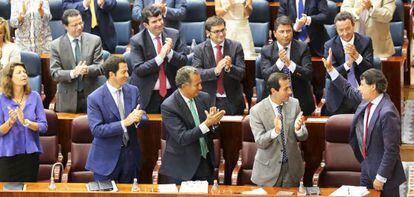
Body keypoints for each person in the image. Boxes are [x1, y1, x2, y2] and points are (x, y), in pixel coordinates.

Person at [322, 51, 405, 196]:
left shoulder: (387, 113)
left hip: (385, 175)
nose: (359, 88)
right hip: (366, 168)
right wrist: (330, 69)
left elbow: (391, 150)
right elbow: (347, 89)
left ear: (373, 87)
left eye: (362, 85)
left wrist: (381, 176)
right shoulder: (366, 100)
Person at [86, 56, 148, 183]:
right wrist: (125, 123)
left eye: (127, 71)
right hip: (106, 160)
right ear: (111, 74)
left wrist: (138, 118)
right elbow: (97, 130)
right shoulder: (95, 98)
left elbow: (143, 115)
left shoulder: (133, 90)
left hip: (130, 156)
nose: (127, 75)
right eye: (123, 72)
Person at [160, 66, 225, 184]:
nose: (201, 87)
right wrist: (207, 123)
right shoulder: (169, 106)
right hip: (182, 166)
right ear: (184, 86)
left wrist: (214, 123)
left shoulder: (204, 97)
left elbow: (211, 129)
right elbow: (182, 138)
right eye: (197, 84)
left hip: (205, 161)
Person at [250, 72, 307, 187]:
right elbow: (260, 142)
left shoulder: (294, 104)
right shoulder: (257, 111)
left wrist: (299, 129)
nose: (290, 92)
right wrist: (275, 132)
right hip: (268, 171)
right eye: (285, 89)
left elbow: (304, 136)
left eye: (289, 88)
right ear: (273, 91)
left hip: (291, 169)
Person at [129, 6, 187, 114]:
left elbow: (184, 61)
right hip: (149, 95)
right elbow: (139, 69)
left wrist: (170, 53)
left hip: (172, 93)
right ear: (146, 25)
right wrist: (160, 57)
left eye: (160, 19)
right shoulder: (136, 41)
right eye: (154, 21)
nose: (159, 24)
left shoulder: (174, 34)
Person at [0, 62, 47, 182]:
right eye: (19, 72)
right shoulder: (2, 99)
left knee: (28, 191)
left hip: (30, 157)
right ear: (9, 78)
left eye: (25, 72)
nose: (24, 75)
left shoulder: (35, 96)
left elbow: (43, 126)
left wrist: (26, 122)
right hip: (8, 155)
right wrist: (10, 122)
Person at [50, 9, 104, 113]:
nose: (79, 27)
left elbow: (100, 67)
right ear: (65, 26)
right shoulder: (55, 45)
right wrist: (73, 73)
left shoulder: (95, 40)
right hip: (67, 99)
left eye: (80, 23)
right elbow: (55, 73)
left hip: (91, 95)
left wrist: (87, 69)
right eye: (74, 25)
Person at [260, 16, 315, 116]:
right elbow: (266, 76)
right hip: (274, 104)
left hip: (300, 102)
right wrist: (280, 62)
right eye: (282, 31)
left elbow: (308, 74)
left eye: (288, 31)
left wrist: (290, 64)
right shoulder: (266, 51)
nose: (286, 35)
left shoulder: (303, 48)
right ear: (274, 33)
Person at [192, 16, 246, 115]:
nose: (221, 34)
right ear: (208, 33)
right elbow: (197, 73)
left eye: (223, 30)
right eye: (216, 31)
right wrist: (215, 71)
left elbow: (242, 74)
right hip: (208, 101)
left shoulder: (236, 46)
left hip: (232, 100)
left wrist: (230, 68)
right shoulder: (199, 49)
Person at [323, 11, 373, 115]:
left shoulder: (365, 41)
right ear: (336, 30)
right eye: (341, 30)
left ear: (354, 26)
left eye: (348, 28)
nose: (345, 33)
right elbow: (329, 75)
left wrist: (357, 57)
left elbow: (370, 70)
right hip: (339, 96)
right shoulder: (329, 45)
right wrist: (347, 65)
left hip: (361, 93)